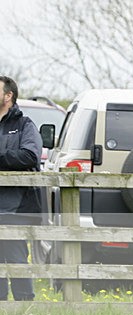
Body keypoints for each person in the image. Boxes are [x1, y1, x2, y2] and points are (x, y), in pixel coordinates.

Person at [0, 76, 43, 301]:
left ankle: (24, 309)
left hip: (15, 207)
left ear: (9, 96)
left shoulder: (24, 124)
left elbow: (29, 156)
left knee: (16, 257)